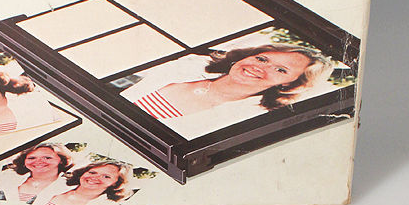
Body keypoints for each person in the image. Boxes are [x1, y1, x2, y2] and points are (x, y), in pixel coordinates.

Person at [130, 44, 333, 130]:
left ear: (290, 83)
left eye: (280, 70)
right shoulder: (190, 64)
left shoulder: (250, 119)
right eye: (261, 58)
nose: (259, 67)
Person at [0, 143, 73, 205]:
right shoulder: (7, 178)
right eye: (32, 158)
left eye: (47, 157)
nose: (38, 161)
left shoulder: (71, 186)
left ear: (61, 160)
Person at [45, 161, 132, 205]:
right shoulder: (56, 184)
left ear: (116, 183)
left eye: (106, 176)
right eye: (92, 172)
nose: (95, 177)